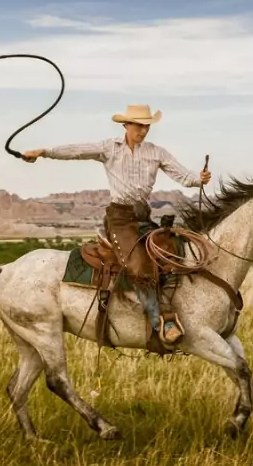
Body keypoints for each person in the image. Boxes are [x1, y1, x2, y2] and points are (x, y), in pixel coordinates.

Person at [21, 104, 211, 344]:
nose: (143, 131)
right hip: (119, 219)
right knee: (138, 263)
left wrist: (199, 179)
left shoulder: (156, 152)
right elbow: (77, 151)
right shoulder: (110, 148)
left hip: (142, 216)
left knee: (170, 252)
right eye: (139, 126)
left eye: (147, 126)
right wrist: (43, 152)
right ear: (126, 126)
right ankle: (161, 321)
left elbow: (183, 176)